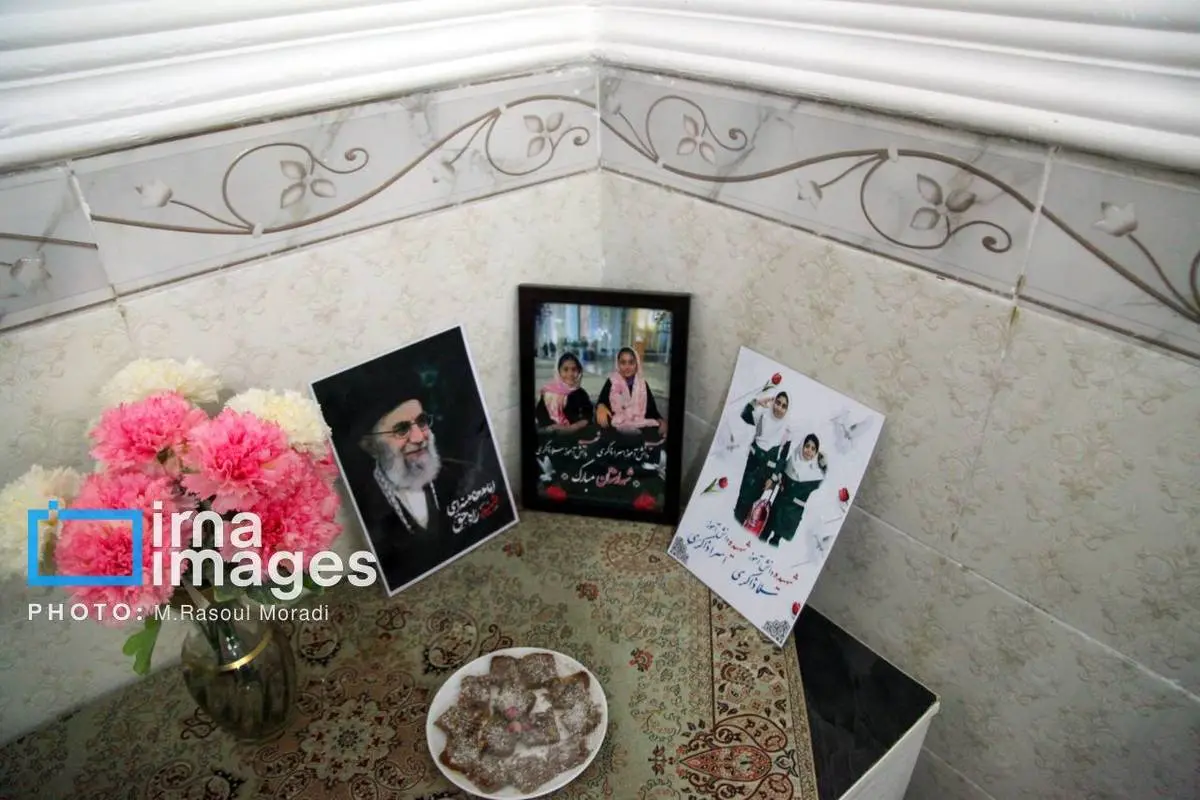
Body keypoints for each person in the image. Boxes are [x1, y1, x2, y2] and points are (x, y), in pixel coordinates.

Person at [355, 392, 474, 588]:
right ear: (371, 447)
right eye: (401, 430)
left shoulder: (462, 474)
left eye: (421, 421)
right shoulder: (364, 505)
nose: (419, 437)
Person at [733, 391, 791, 527]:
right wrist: (758, 402)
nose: (779, 408)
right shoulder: (762, 417)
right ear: (773, 402)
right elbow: (744, 414)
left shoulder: (786, 431)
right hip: (750, 467)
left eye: (784, 406)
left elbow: (783, 459)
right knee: (741, 502)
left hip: (765, 476)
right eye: (777, 403)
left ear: (787, 410)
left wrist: (773, 479)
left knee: (750, 508)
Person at [761, 433, 828, 547]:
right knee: (763, 535)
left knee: (774, 542)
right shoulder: (792, 461)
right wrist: (775, 479)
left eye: (813, 449)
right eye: (807, 446)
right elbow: (781, 473)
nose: (809, 451)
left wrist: (824, 464)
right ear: (802, 446)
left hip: (791, 514)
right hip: (778, 506)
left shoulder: (815, 473)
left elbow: (822, 484)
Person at [595, 347, 666, 440]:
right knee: (601, 421)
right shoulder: (612, 382)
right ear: (618, 364)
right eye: (623, 362)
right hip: (616, 424)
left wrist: (661, 420)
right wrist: (601, 407)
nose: (627, 367)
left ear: (636, 364)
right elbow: (601, 401)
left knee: (655, 429)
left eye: (631, 362)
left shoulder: (642, 385)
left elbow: (652, 410)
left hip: (639, 423)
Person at [534, 352, 593, 434]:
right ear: (559, 371)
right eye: (565, 369)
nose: (570, 374)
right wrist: (553, 427)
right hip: (551, 434)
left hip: (575, 434)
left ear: (579, 372)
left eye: (574, 369)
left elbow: (588, 415)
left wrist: (572, 428)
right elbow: (540, 414)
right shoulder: (548, 393)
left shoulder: (580, 393)